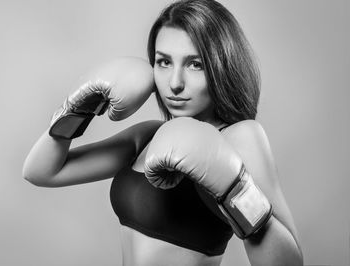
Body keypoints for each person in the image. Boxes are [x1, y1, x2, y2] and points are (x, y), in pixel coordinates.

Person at [22, 0, 303, 265]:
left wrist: (234, 190)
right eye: (164, 62)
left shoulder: (240, 137)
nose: (175, 83)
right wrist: (79, 109)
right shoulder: (148, 136)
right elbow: (41, 171)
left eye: (195, 64)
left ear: (221, 66)